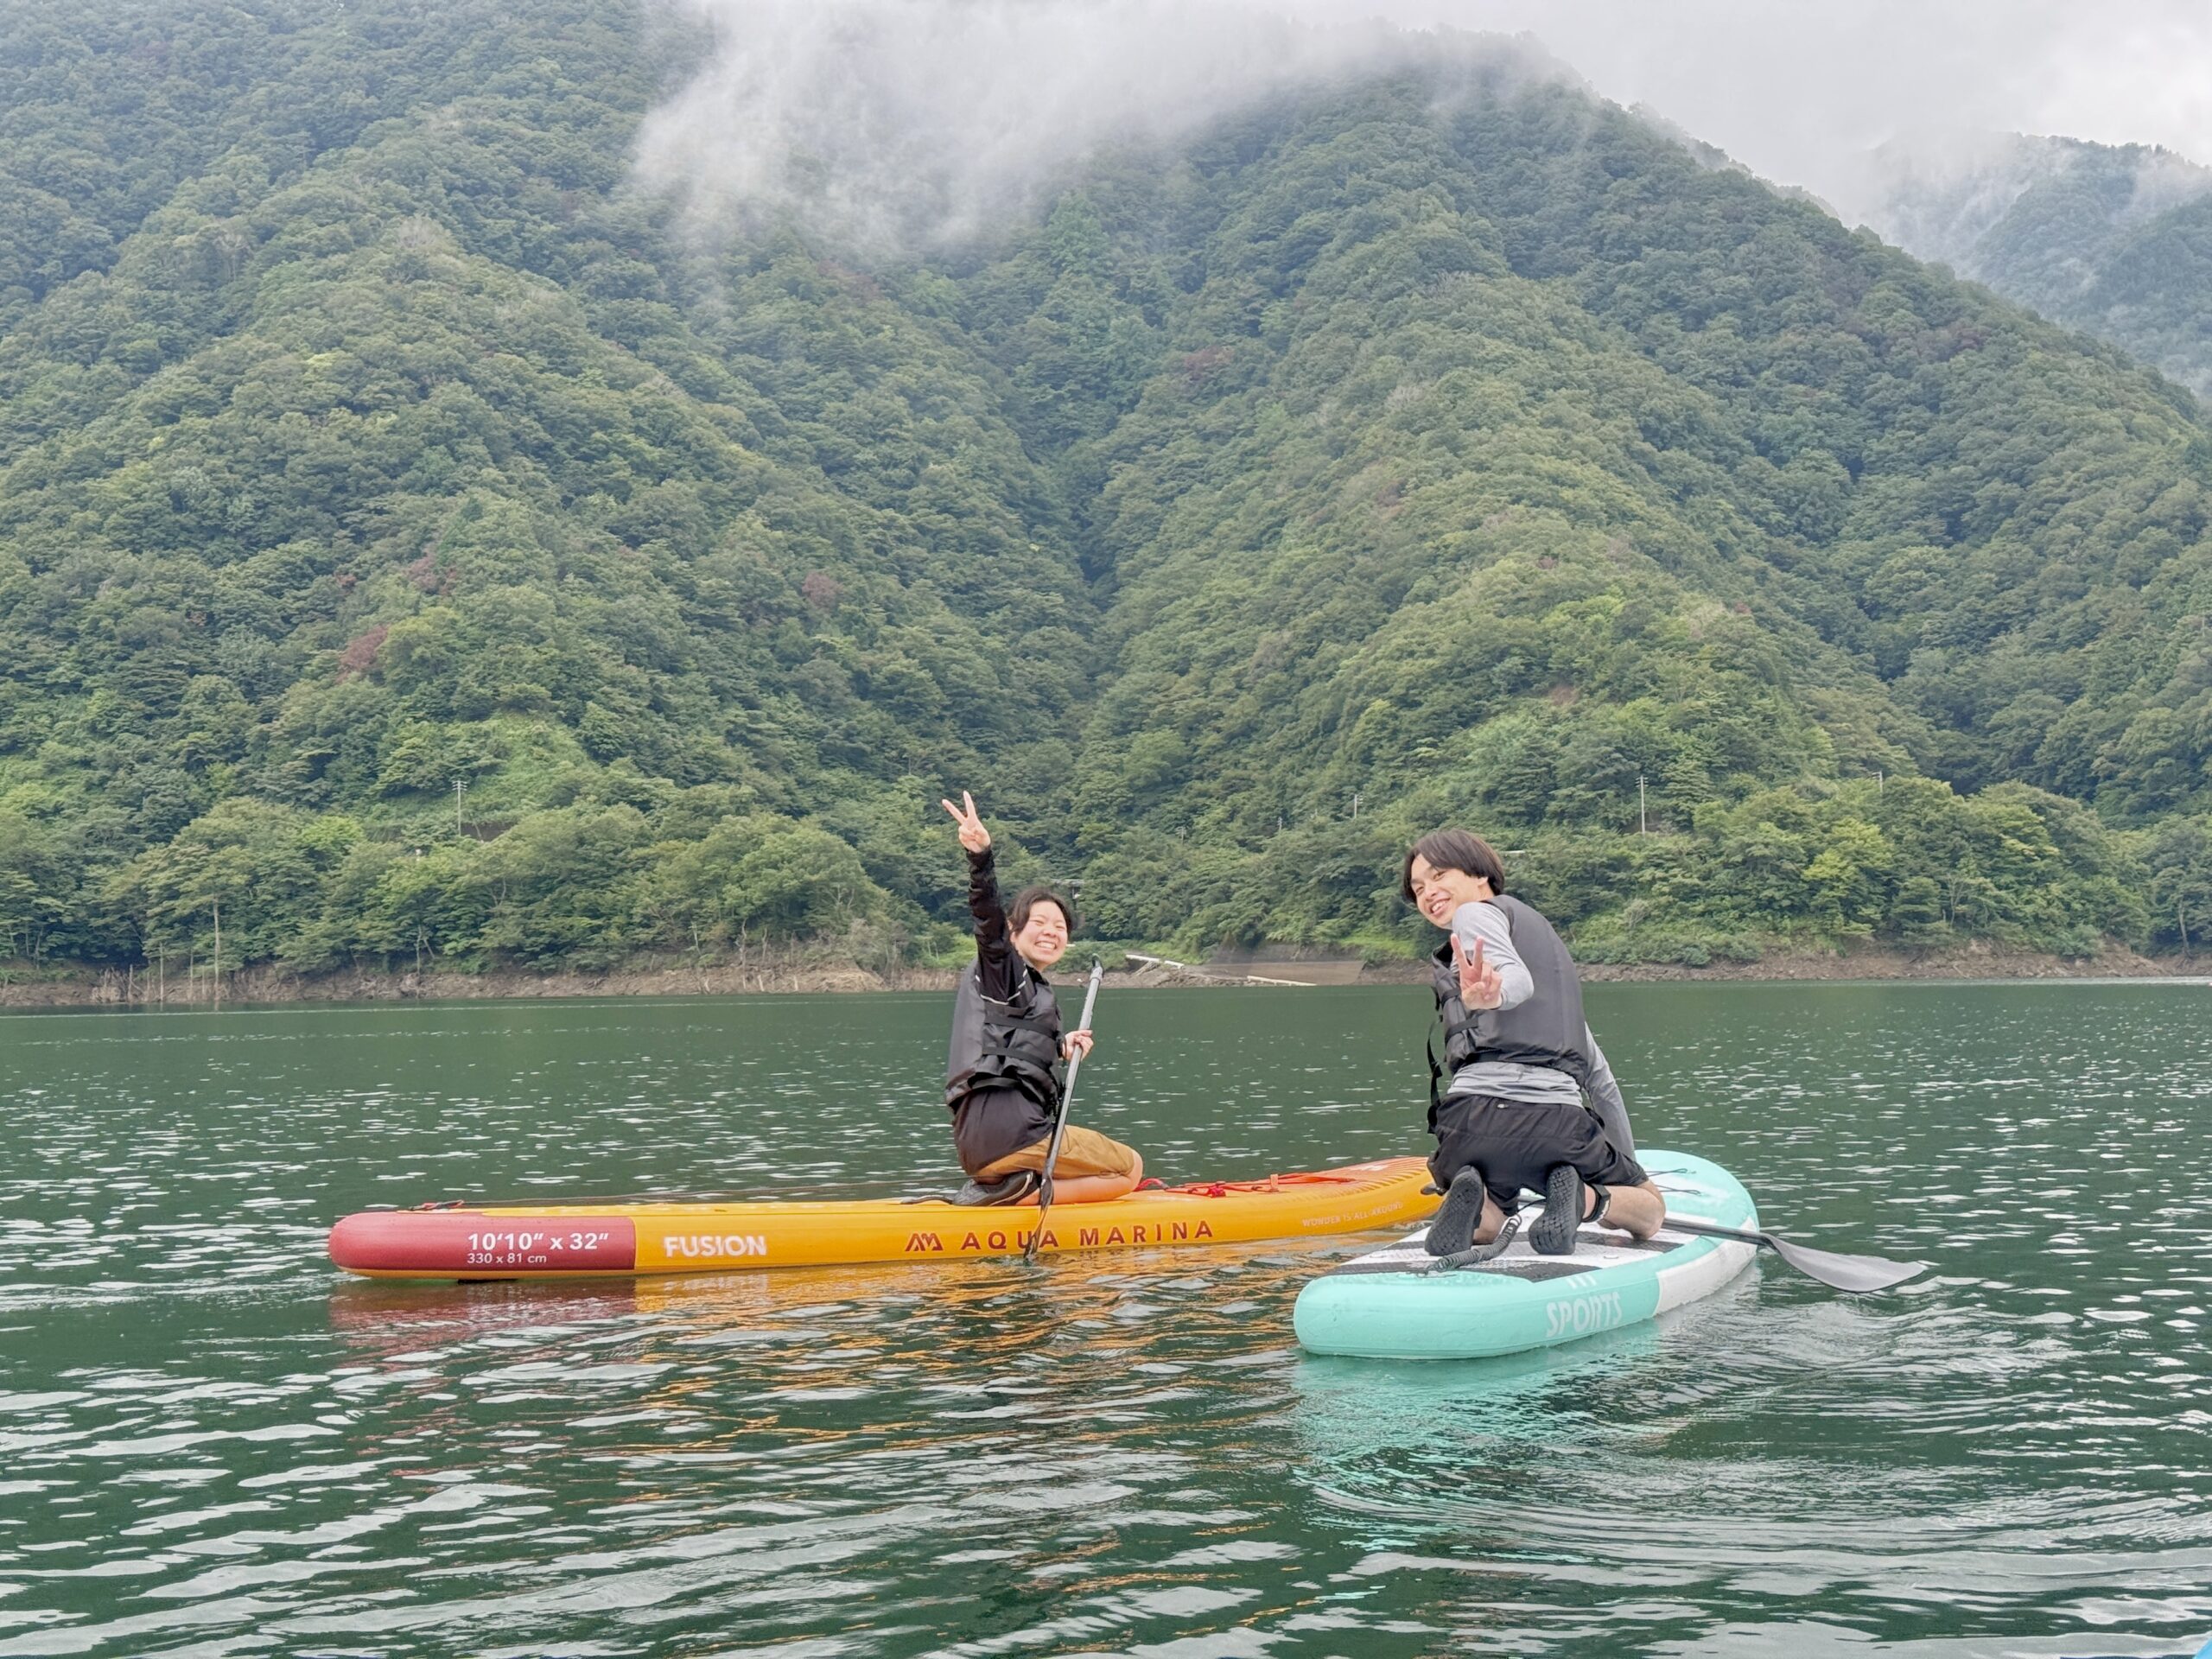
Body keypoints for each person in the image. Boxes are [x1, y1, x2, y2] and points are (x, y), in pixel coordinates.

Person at [1402, 828, 1666, 1258]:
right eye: (1418, 888)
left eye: (1438, 875)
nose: (1428, 892)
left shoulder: (1475, 918)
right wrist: (1625, 1171)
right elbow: (1603, 1085)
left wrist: (1495, 993)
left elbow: (1515, 981)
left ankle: (1476, 1196)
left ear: (1479, 874)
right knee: (1652, 1211)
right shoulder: (1541, 963)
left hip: (1468, 1125)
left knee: (1488, 1216)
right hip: (1555, 1125)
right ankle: (1582, 1198)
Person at [938, 791, 1144, 1207]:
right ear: (1014, 933)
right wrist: (981, 859)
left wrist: (1060, 1047)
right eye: (1040, 922)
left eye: (1060, 926)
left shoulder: (1020, 989)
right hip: (1017, 1137)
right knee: (1130, 1169)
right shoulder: (1003, 971)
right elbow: (988, 926)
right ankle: (1027, 1194)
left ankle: (1005, 1186)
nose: (1052, 931)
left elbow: (1012, 1047)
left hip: (977, 1149)